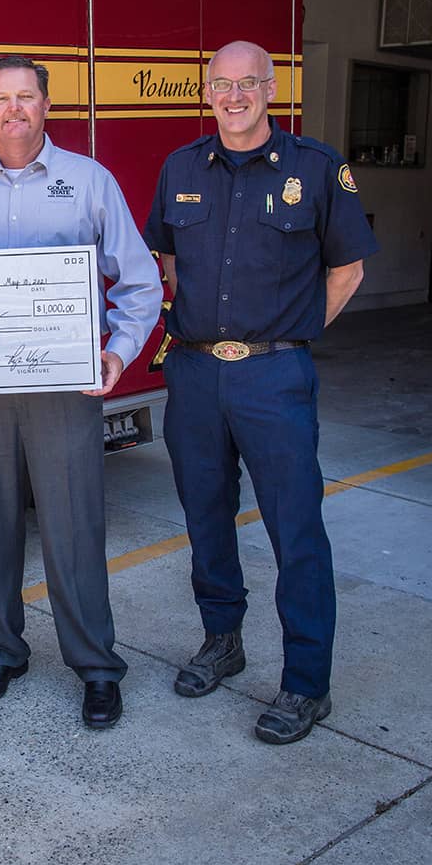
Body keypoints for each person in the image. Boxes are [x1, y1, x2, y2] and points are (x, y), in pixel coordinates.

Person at [0, 56, 162, 727]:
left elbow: (140, 283)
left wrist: (118, 351)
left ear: (46, 104)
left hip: (64, 388)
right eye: (0, 98)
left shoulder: (89, 183)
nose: (13, 109)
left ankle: (97, 665)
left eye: (25, 97)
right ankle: (2, 652)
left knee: (74, 526)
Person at [142, 41, 378, 744]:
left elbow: (349, 271)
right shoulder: (180, 167)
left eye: (249, 83)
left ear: (272, 89)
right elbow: (169, 260)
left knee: (295, 528)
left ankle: (306, 682)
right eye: (223, 84)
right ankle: (223, 638)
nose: (235, 95)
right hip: (194, 371)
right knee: (206, 517)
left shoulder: (316, 168)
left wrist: (290, 335)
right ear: (205, 91)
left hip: (274, 375)